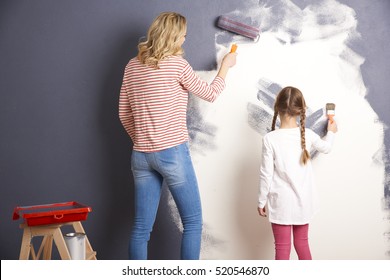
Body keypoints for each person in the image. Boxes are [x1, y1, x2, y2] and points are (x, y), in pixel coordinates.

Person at [119, 12, 237, 260]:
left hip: (140, 156)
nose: (185, 39)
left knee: (141, 229)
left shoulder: (132, 66)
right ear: (172, 37)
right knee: (193, 223)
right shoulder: (176, 65)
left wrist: (142, 140)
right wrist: (225, 66)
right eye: (183, 35)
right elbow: (211, 93)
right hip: (172, 153)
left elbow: (123, 113)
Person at [257, 86, 337, 260]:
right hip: (303, 202)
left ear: (277, 107)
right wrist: (331, 132)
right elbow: (327, 147)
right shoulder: (308, 135)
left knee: (282, 249)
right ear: (301, 110)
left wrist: (261, 200)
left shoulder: (270, 139)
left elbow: (266, 174)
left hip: (280, 203)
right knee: (302, 244)